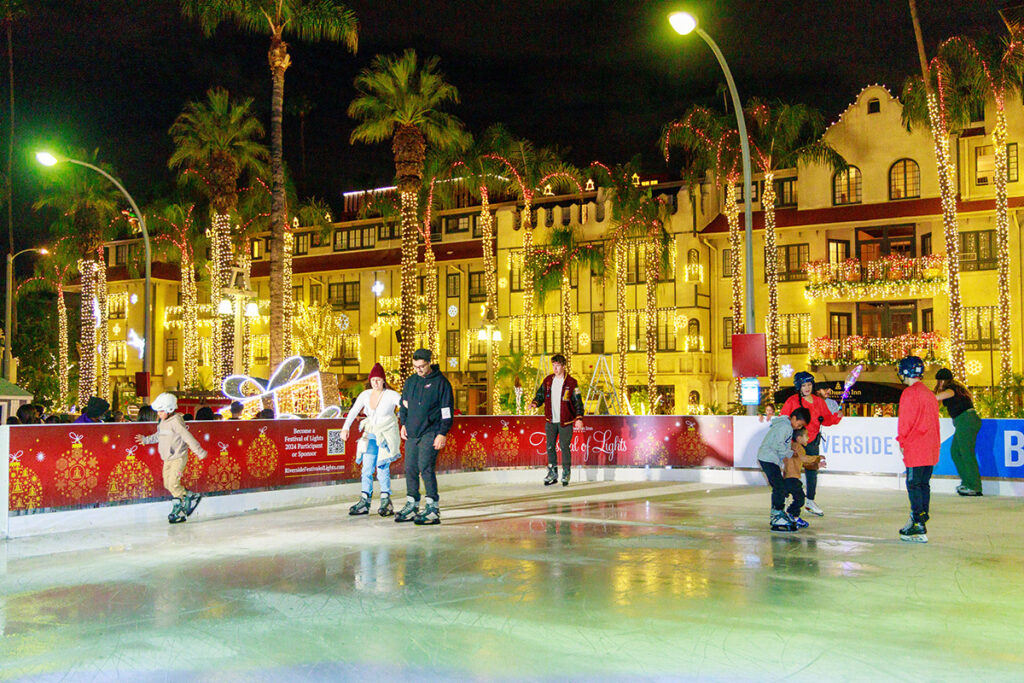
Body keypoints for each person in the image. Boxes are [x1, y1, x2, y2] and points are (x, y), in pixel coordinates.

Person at [397, 348, 454, 525]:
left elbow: (447, 411)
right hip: (412, 431)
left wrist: (442, 433)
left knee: (425, 467)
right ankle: (412, 503)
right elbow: (403, 405)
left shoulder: (441, 383)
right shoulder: (411, 381)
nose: (419, 370)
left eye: (422, 366)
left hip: (431, 431)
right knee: (410, 468)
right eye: (415, 367)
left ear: (429, 363)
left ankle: (432, 507)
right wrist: (403, 424)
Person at [135, 392, 208, 524]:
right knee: (167, 484)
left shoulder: (176, 422)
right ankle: (189, 496)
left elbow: (187, 437)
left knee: (173, 483)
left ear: (169, 409)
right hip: (167, 458)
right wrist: (146, 440)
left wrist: (199, 451)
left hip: (178, 458)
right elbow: (159, 435)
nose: (158, 414)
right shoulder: (163, 422)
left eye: (161, 411)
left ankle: (181, 505)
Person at [776, 371, 842, 516]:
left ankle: (810, 501)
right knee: (791, 473)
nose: (807, 388)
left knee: (812, 471)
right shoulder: (792, 401)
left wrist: (836, 417)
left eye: (809, 384)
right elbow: (783, 419)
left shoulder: (819, 401)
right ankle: (784, 502)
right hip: (796, 442)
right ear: (798, 386)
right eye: (804, 385)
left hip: (812, 441)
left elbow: (826, 419)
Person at [343, 363, 402, 517]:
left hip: (386, 435)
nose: (375, 382)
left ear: (383, 380)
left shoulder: (391, 395)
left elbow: (405, 406)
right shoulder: (365, 395)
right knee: (367, 468)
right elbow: (353, 411)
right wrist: (345, 427)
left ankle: (385, 500)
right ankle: (365, 501)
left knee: (382, 467)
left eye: (378, 379)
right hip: (371, 434)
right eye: (373, 379)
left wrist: (407, 424)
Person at [896, 356, 940, 543]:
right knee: (923, 484)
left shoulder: (909, 393)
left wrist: (902, 441)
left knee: (913, 485)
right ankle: (919, 518)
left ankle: (918, 521)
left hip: (916, 446)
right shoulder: (929, 393)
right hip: (930, 447)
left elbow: (905, 421)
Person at [528, 353, 584, 486]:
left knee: (565, 447)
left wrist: (579, 418)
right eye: (553, 366)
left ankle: (566, 472)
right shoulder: (548, 381)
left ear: (563, 366)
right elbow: (540, 395)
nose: (555, 368)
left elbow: (578, 402)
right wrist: (535, 403)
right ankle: (552, 472)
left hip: (566, 422)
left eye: (558, 366)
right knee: (550, 447)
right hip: (550, 421)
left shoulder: (572, 383)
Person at [757, 407, 810, 532]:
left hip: (770, 458)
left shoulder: (786, 426)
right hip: (768, 458)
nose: (798, 427)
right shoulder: (785, 427)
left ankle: (777, 513)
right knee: (779, 487)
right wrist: (790, 453)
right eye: (799, 424)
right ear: (794, 418)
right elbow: (779, 445)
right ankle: (777, 514)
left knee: (778, 486)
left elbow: (781, 445)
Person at [934, 368, 983, 496]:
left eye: (939, 381)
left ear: (943, 381)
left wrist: (927, 397)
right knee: (955, 452)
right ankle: (967, 483)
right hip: (966, 421)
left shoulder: (951, 389)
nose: (939, 384)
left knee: (966, 453)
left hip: (966, 420)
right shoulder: (957, 388)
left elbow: (942, 396)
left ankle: (974, 486)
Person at [783, 428, 825, 530]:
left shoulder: (792, 446)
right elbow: (805, 459)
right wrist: (817, 458)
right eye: (806, 436)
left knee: (784, 498)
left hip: (786, 478)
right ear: (799, 438)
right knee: (800, 498)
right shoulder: (798, 447)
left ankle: (785, 515)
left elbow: (805, 463)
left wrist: (817, 464)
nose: (808, 438)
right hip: (792, 478)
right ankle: (792, 515)